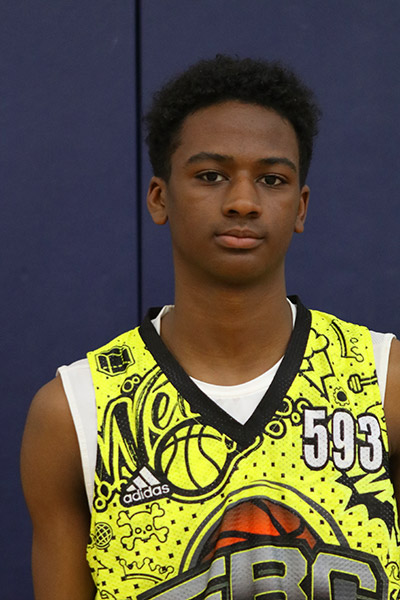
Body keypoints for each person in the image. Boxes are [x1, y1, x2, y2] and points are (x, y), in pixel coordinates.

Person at [21, 55, 400, 600]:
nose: (243, 202)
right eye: (211, 176)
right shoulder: (76, 413)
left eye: (271, 179)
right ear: (160, 198)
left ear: (300, 206)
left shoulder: (383, 381)